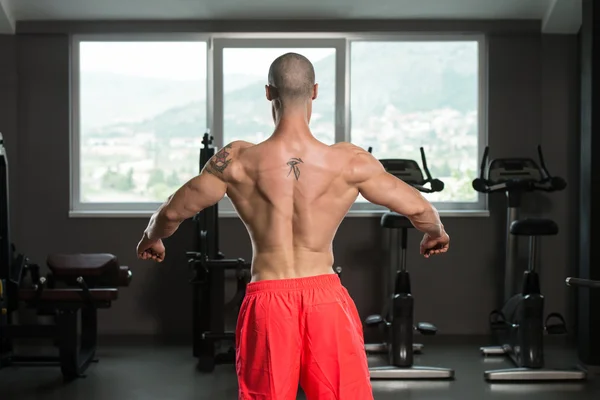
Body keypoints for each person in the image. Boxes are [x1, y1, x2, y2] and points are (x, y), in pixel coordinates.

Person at [136, 52, 450, 400]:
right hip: (326, 300)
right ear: (314, 91)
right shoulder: (348, 160)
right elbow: (419, 208)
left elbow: (173, 211)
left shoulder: (236, 160)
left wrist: (153, 238)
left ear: (269, 92)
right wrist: (435, 232)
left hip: (268, 299)